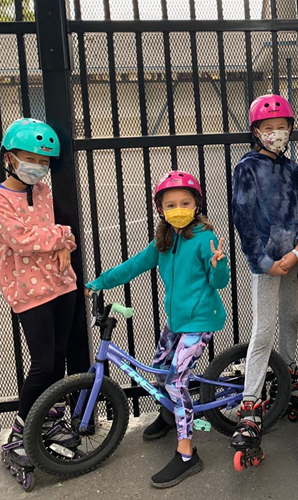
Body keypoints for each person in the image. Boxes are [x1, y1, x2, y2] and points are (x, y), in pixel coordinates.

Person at [85, 171, 228, 488]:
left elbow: (219, 282)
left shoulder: (205, 238)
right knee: (161, 370)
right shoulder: (164, 240)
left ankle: (187, 454)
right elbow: (133, 266)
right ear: (161, 209)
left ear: (196, 205)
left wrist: (220, 265)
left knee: (177, 383)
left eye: (186, 203)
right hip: (176, 320)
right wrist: (98, 282)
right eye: (171, 204)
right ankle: (168, 417)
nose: (179, 209)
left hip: (200, 320)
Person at [0, 118, 80, 468]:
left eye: (43, 161)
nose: (38, 167)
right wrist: (62, 236)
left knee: (58, 357)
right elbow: (22, 240)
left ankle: (50, 420)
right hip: (29, 292)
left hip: (62, 284)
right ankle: (19, 434)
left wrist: (61, 238)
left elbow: (54, 235)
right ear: (9, 157)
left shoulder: (42, 192)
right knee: (41, 364)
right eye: (30, 158)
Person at [230, 94, 298, 454]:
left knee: (292, 318)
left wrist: (297, 250)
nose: (277, 134)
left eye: (283, 128)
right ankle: (250, 400)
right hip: (267, 264)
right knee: (263, 327)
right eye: (270, 129)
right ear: (256, 132)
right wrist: (267, 262)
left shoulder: (294, 170)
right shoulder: (247, 167)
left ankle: (289, 376)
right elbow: (243, 219)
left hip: (292, 259)